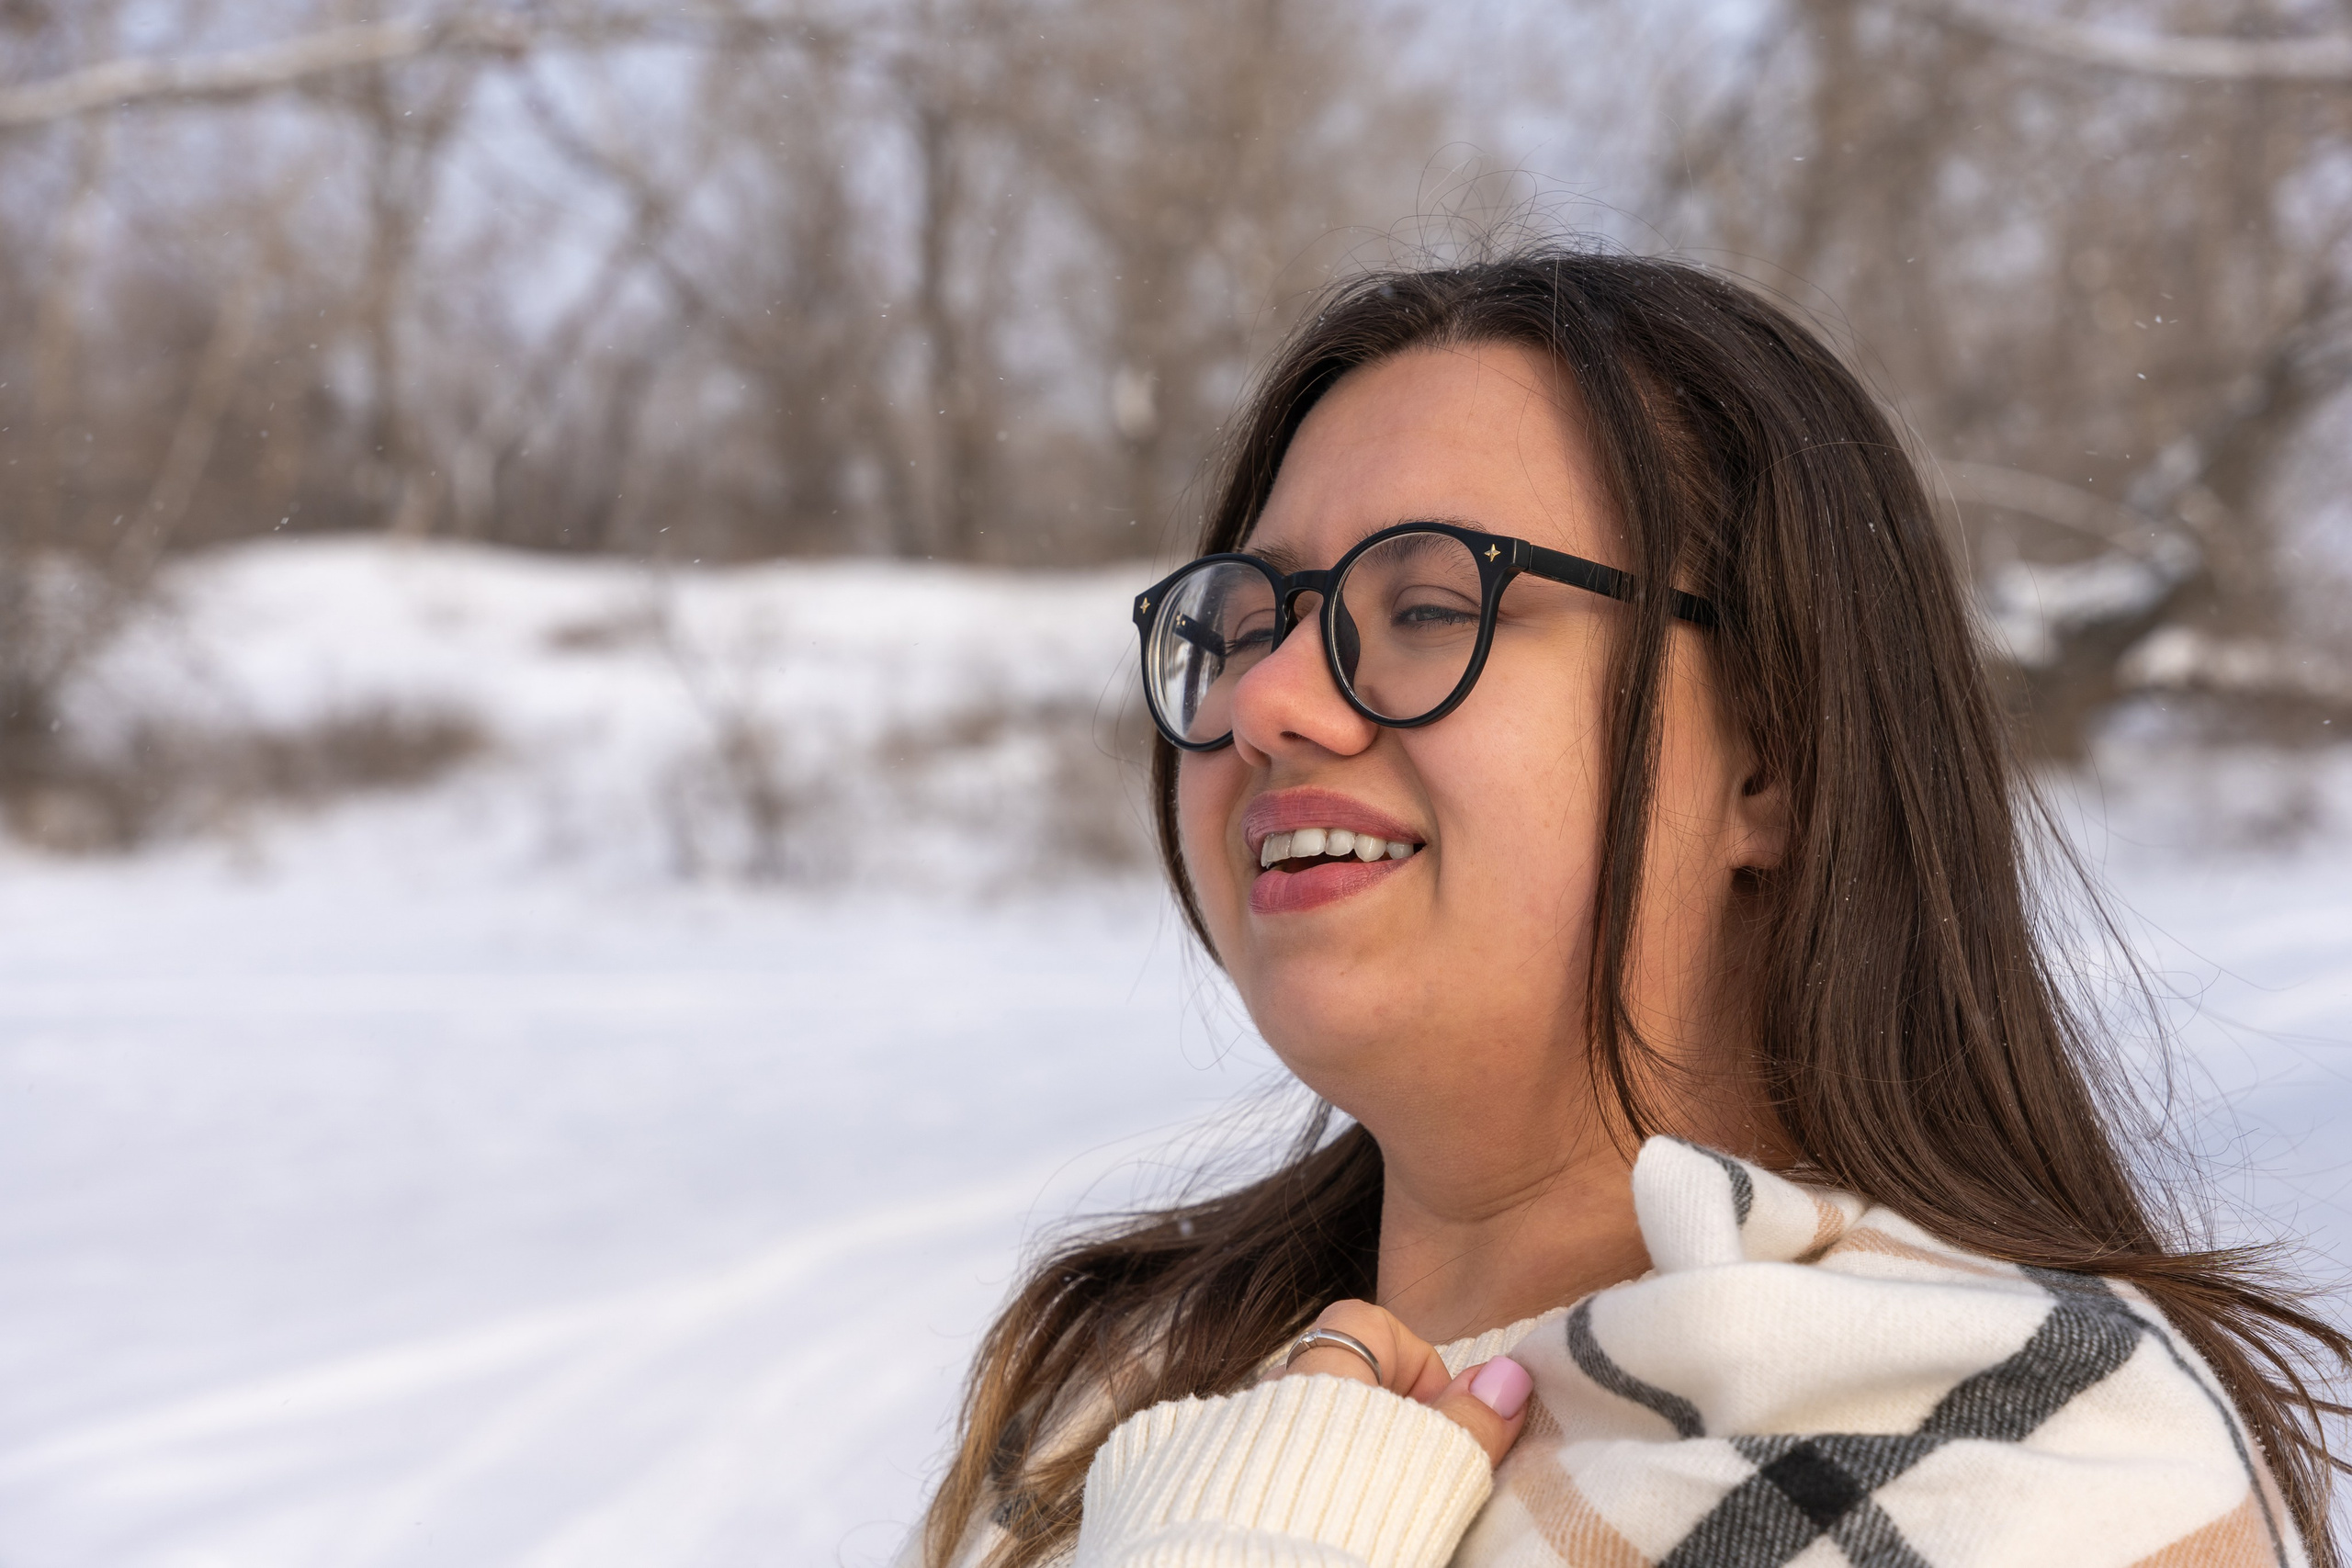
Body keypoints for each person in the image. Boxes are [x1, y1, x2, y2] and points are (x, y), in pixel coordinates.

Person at [909, 249, 2346, 1568]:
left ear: (1772, 752)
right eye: (1240, 625)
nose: (1264, 703)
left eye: (1426, 610)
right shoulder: (1125, 1373)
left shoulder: (2030, 1454)